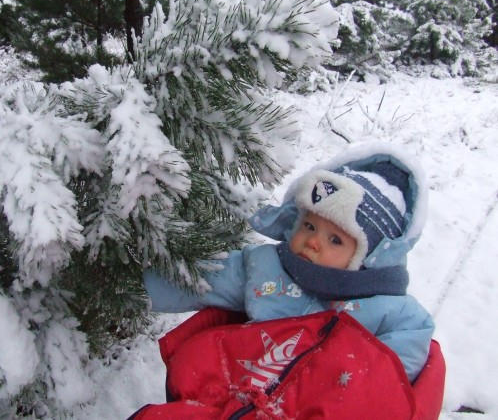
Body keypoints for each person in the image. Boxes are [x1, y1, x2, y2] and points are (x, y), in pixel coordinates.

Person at [138, 144, 436, 418]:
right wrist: (136, 286)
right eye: (309, 225)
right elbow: (207, 276)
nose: (313, 242)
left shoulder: (391, 311)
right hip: (234, 395)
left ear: (368, 257)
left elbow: (390, 373)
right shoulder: (267, 268)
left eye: (335, 239)